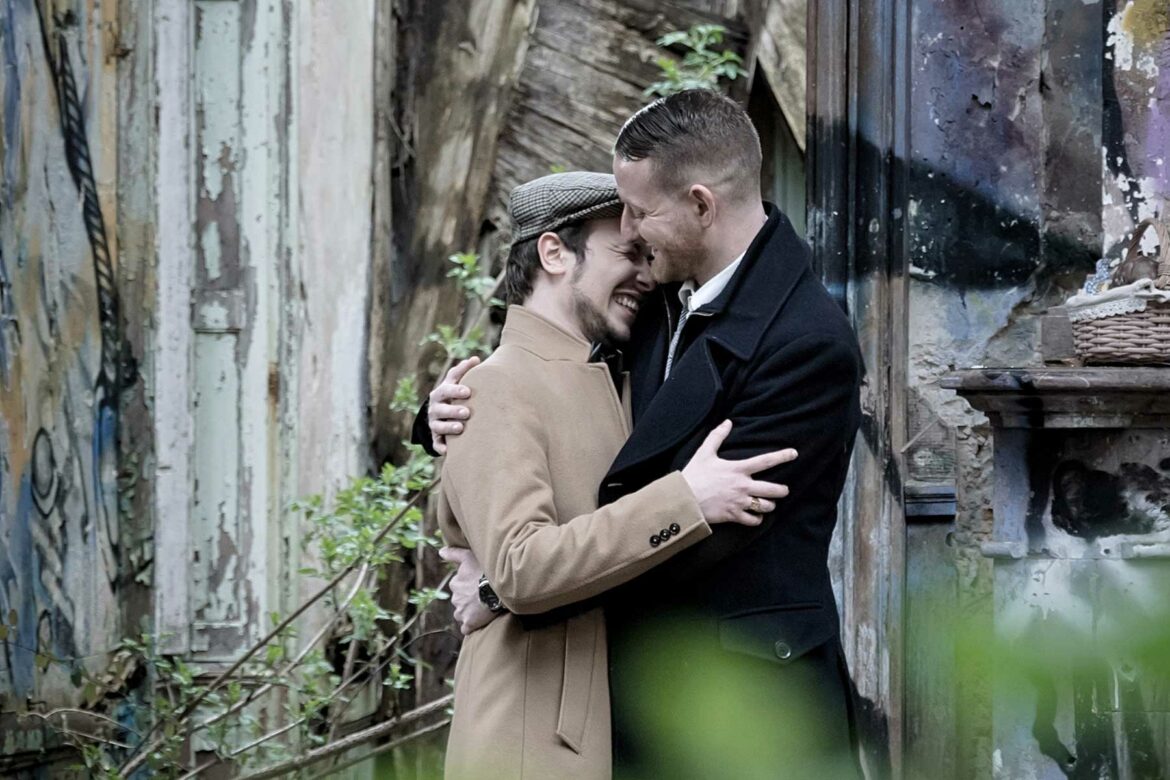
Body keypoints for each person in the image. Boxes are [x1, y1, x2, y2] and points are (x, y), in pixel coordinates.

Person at [425, 89, 865, 779]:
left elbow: (707, 543)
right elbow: (550, 389)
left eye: (640, 214)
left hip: (750, 707)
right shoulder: (659, 302)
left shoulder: (807, 342)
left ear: (700, 204)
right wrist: (446, 415)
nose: (631, 235)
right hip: (638, 698)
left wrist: (499, 588)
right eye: (621, 226)